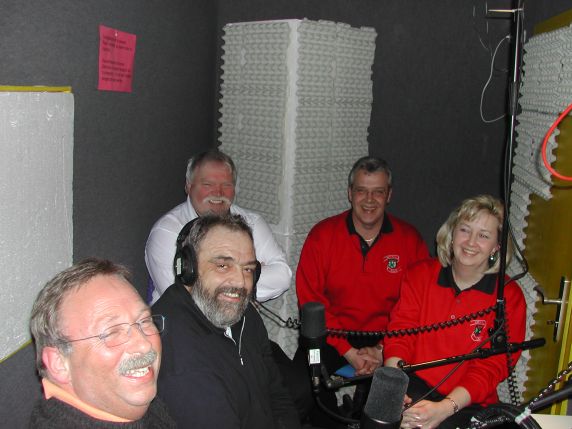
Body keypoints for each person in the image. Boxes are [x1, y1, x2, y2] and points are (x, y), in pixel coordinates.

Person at [384, 195, 526, 429]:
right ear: (451, 234)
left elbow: (491, 368)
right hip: (413, 385)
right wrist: (394, 388)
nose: (471, 242)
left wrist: (443, 409)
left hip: (468, 400)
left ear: (496, 246)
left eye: (483, 235)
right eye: (465, 230)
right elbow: (400, 335)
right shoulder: (420, 276)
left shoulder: (510, 296)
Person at [153, 214, 301, 428]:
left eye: (248, 269)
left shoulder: (244, 314)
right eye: (223, 266)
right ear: (187, 268)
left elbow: (277, 395)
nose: (241, 283)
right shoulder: (179, 355)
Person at [296, 156, 429, 376]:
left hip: (389, 340)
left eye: (378, 191)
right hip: (331, 335)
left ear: (389, 195)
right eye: (361, 190)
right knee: (302, 388)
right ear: (350, 193)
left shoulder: (410, 240)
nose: (369, 200)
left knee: (393, 397)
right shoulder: (322, 236)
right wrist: (347, 351)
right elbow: (311, 299)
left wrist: (382, 349)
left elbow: (420, 302)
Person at [28, 258, 175, 428]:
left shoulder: (139, 406)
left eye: (144, 321)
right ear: (59, 364)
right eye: (112, 331)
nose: (144, 345)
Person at [145, 149, 291, 304]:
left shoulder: (252, 222)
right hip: (181, 327)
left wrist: (210, 276)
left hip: (239, 326)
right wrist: (249, 274)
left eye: (226, 185)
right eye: (208, 184)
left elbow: (282, 277)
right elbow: (182, 298)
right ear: (188, 186)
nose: (218, 192)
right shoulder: (168, 231)